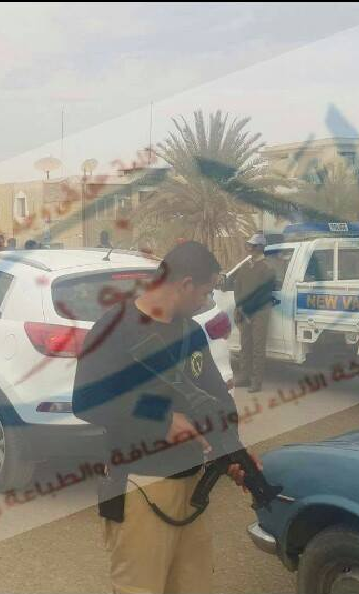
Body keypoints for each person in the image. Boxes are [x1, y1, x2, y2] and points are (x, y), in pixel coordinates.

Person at [73, 241, 257, 594]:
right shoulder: (115, 328)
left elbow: (217, 401)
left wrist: (234, 452)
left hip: (193, 486)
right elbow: (87, 400)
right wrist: (162, 419)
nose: (206, 301)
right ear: (185, 284)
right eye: (204, 292)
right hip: (141, 485)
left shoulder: (190, 332)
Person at [232, 234, 276, 393]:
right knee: (245, 345)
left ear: (260, 248)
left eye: (252, 245)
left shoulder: (267, 268)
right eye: (249, 245)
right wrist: (239, 307)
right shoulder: (245, 266)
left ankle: (256, 381)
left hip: (260, 311)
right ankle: (244, 376)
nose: (249, 248)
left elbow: (264, 293)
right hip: (245, 311)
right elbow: (238, 287)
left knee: (258, 347)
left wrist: (249, 309)